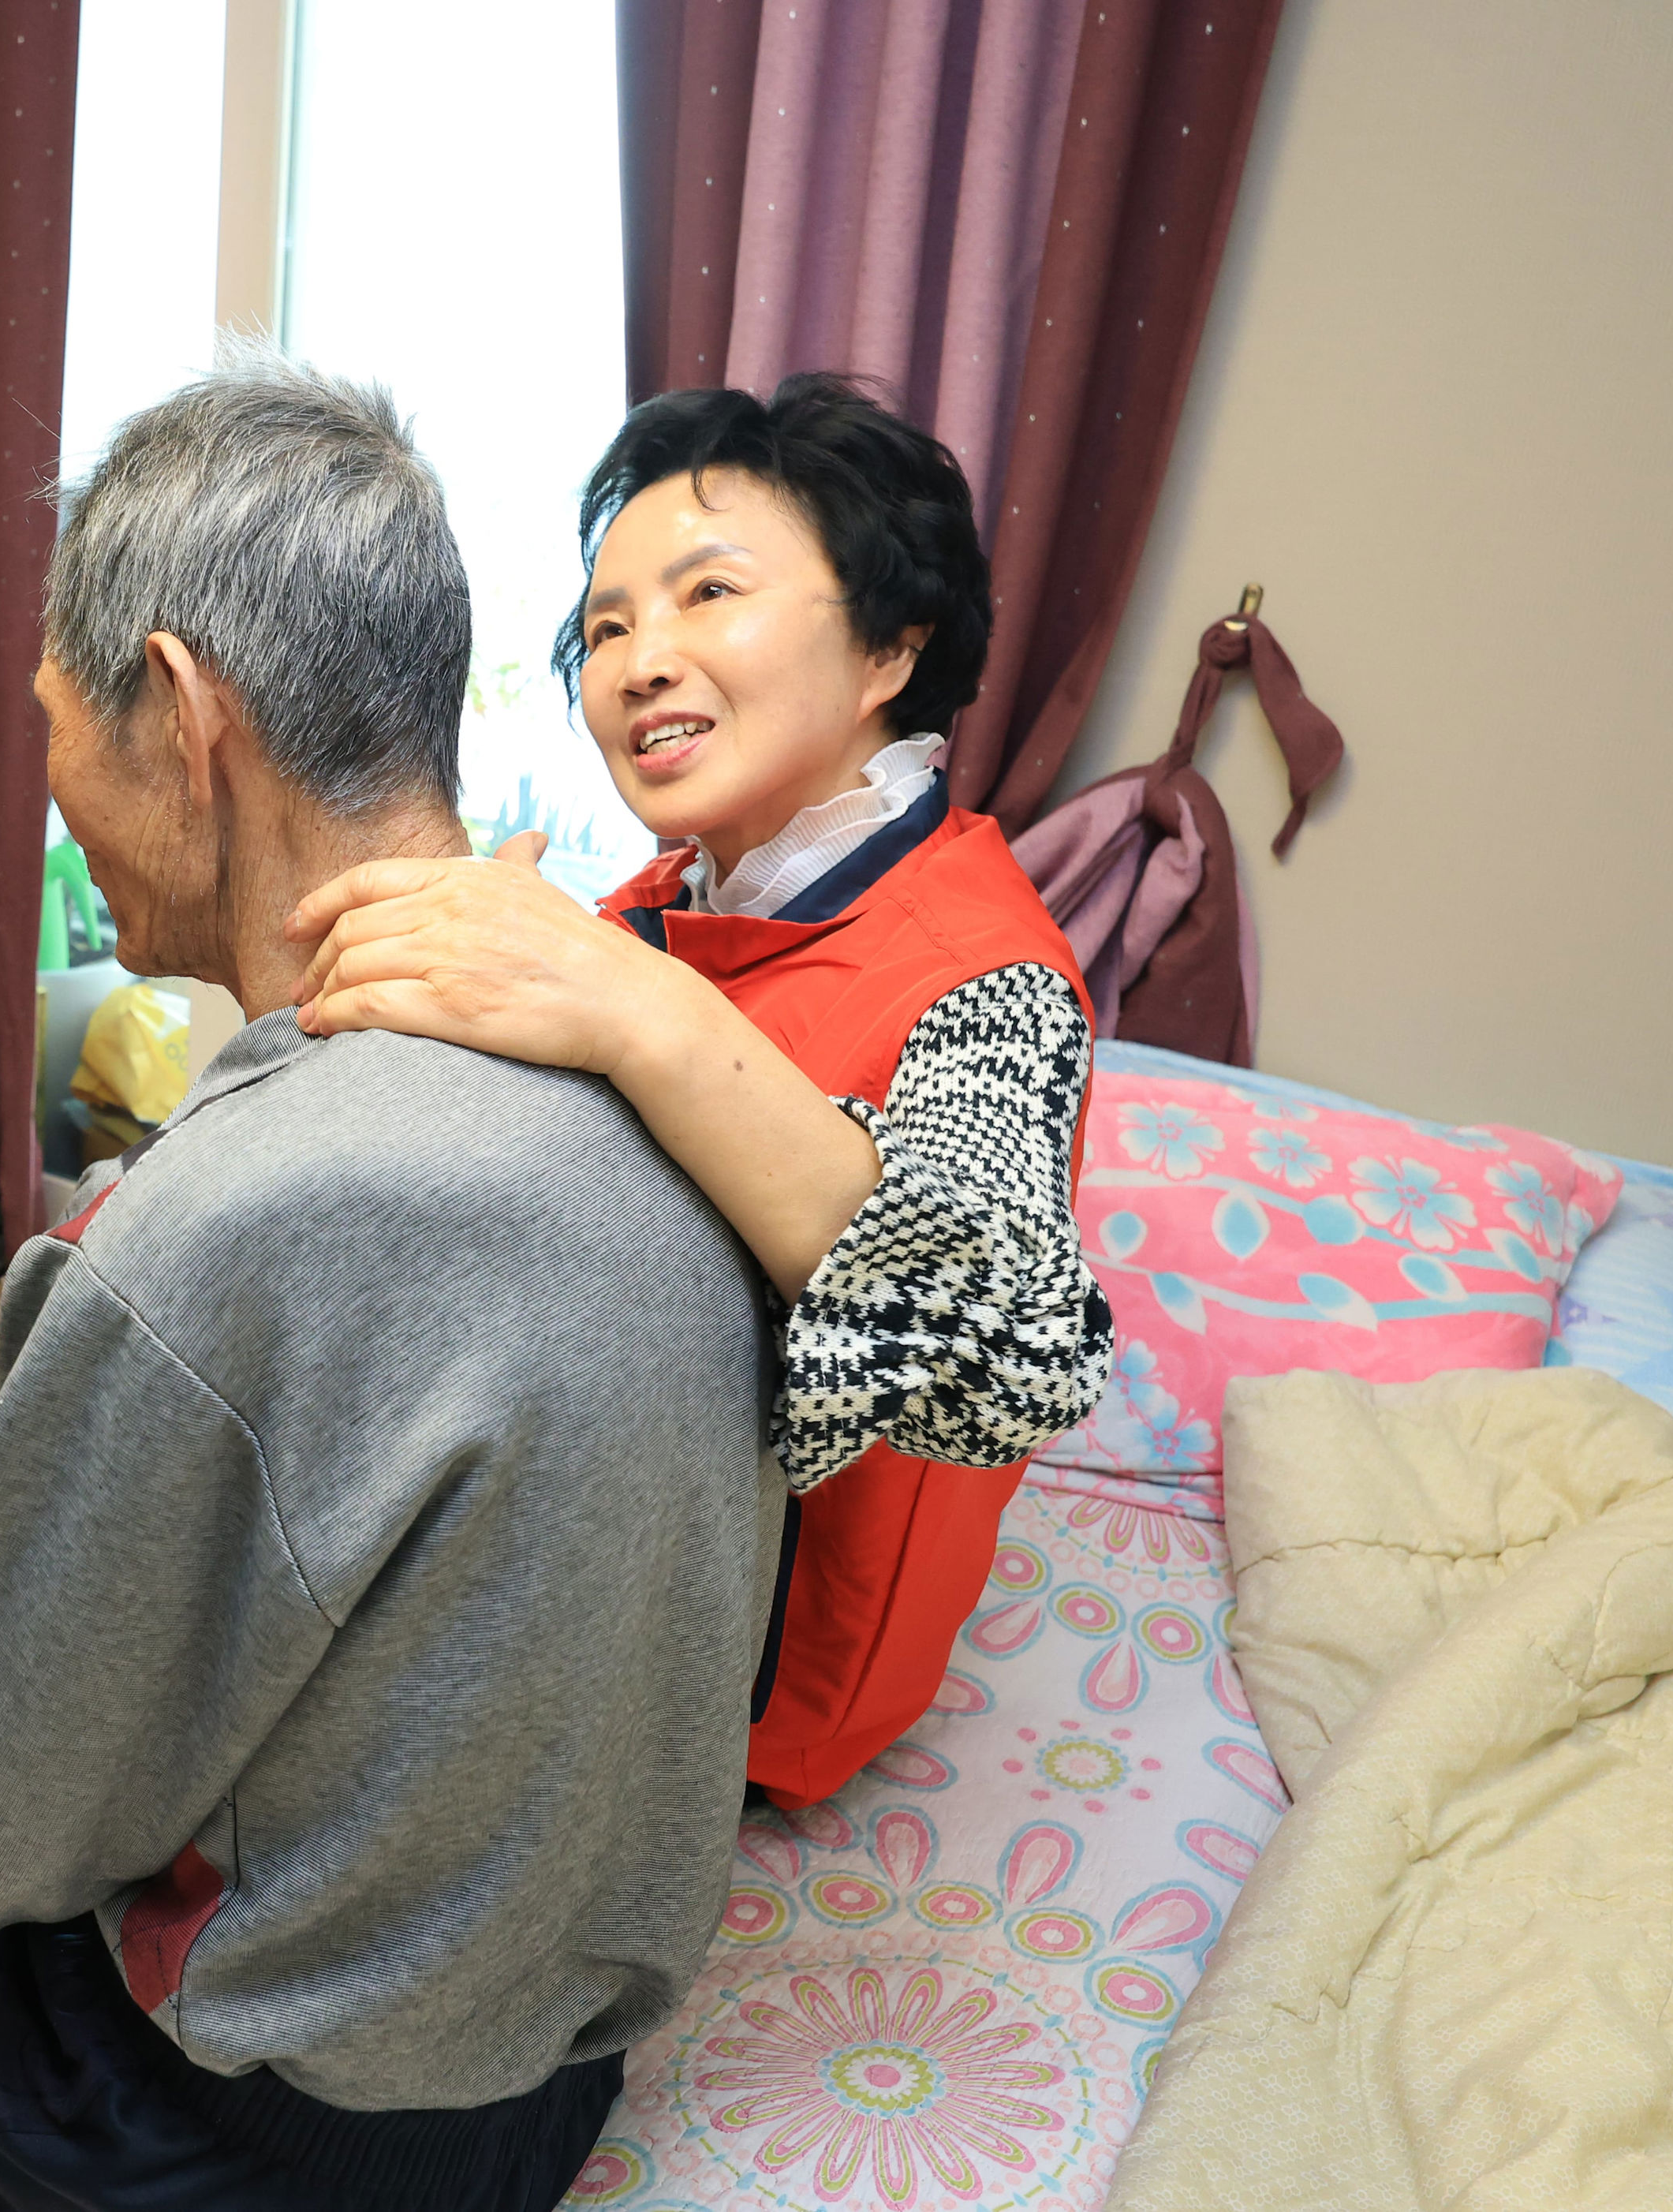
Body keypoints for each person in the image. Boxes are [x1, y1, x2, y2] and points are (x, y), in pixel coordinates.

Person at [0, 357, 775, 2212]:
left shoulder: (216, 1235)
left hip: (305, 2130)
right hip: (560, 2064)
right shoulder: (677, 1071)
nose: (55, 803)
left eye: (59, 728)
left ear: (180, 709)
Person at [285, 376, 1115, 1807]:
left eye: (705, 594)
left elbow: (1002, 1366)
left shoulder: (991, 976)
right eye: (606, 627)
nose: (636, 661)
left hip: (745, 1680)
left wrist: (637, 1017)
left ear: (888, 647)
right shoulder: (662, 901)